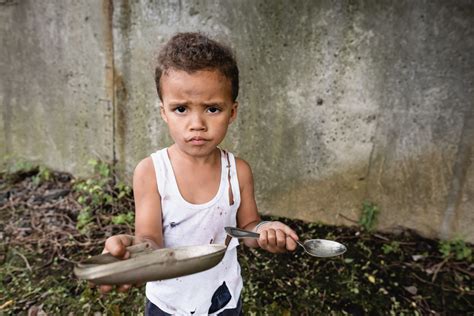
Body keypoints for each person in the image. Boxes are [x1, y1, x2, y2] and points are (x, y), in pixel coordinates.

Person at [97, 32, 299, 315]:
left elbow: (248, 228)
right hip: (168, 303)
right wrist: (134, 251)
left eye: (212, 109)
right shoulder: (152, 172)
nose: (197, 124)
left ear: (232, 112)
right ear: (164, 112)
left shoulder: (237, 172)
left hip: (223, 298)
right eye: (181, 109)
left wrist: (266, 232)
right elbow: (150, 238)